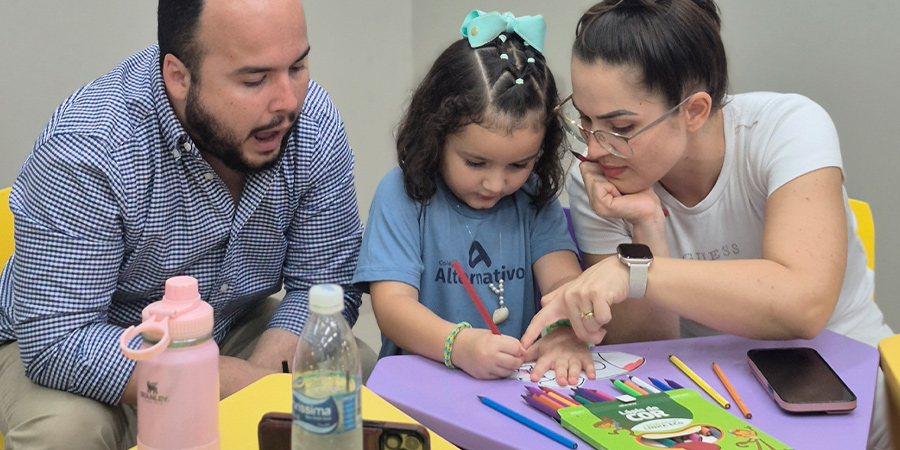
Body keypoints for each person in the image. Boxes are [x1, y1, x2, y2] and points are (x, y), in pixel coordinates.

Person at [0, 0, 374, 448]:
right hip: (93, 338)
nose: (288, 102)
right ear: (178, 76)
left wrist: (263, 379)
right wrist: (237, 386)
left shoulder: (311, 124)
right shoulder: (87, 149)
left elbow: (324, 286)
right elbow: (59, 341)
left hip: (228, 319)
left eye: (297, 67)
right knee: (68, 433)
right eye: (255, 79)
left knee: (350, 371)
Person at [520, 1, 893, 448]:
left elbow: (803, 305)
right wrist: (647, 226)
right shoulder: (602, 177)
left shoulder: (787, 129)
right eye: (584, 118)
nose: (596, 148)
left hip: (847, 392)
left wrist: (635, 271)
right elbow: (646, 348)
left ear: (695, 111)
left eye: (620, 126)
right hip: (711, 403)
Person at [352, 10, 592, 385]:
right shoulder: (401, 194)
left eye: (518, 164)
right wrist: (459, 346)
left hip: (514, 388)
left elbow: (563, 278)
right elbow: (392, 307)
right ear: (437, 134)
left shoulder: (532, 197)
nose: (495, 184)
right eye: (476, 162)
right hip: (421, 388)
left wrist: (563, 331)